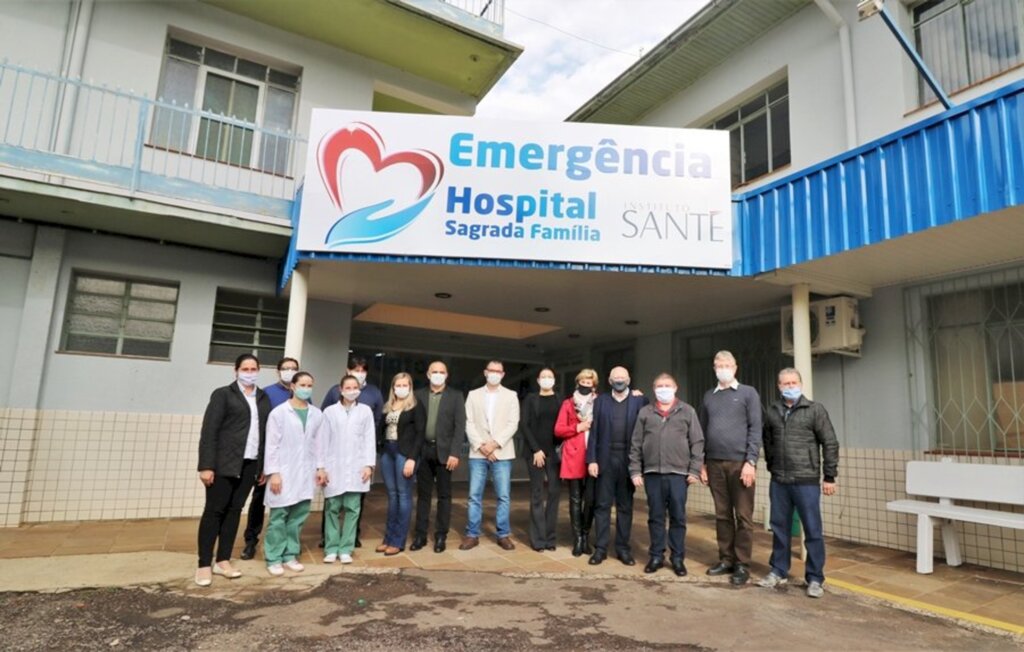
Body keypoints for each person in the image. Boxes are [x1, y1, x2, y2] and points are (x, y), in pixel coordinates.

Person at [758, 368, 840, 598]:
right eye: (785, 383)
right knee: (779, 528)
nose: (789, 386)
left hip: (806, 481)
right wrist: (772, 468)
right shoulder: (773, 411)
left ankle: (815, 578)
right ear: (779, 386)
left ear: (801, 384)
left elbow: (830, 443)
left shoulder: (815, 410)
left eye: (793, 382)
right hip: (780, 481)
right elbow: (768, 441)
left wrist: (829, 476)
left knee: (813, 530)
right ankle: (778, 570)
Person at [195, 353, 271, 587]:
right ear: (236, 370)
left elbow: (266, 434)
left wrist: (263, 466)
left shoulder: (263, 397)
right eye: (245, 368)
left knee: (235, 511)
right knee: (214, 511)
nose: (250, 372)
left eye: (253, 368)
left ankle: (223, 560)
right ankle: (204, 564)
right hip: (223, 464)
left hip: (250, 464)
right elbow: (209, 431)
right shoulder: (223, 395)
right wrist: (206, 466)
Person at [629, 373, 704, 576]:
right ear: (654, 390)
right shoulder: (645, 413)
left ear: (675, 387)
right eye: (659, 386)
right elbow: (636, 443)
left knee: (678, 517)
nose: (663, 389)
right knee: (655, 517)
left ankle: (677, 558)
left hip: (679, 475)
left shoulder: (687, 411)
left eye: (667, 385)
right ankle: (656, 556)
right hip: (653, 473)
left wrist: (695, 470)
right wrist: (635, 470)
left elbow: (697, 442)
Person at [698, 351, 762, 585]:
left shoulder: (748, 393)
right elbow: (703, 431)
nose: (723, 368)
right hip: (714, 463)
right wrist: (702, 464)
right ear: (714, 368)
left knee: (743, 516)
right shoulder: (708, 396)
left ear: (735, 367)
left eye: (727, 365)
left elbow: (756, 429)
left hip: (741, 464)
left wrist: (751, 462)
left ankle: (742, 564)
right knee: (722, 514)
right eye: (718, 365)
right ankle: (726, 559)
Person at [586, 366, 648, 566]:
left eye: (622, 377)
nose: (619, 380)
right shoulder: (601, 401)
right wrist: (592, 459)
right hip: (605, 459)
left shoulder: (640, 401)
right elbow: (594, 433)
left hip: (628, 459)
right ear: (610, 380)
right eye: (615, 377)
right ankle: (601, 549)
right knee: (602, 505)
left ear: (629, 380)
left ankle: (622, 548)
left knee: (625, 506)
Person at [320, 356, 385, 548]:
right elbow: (323, 423)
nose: (359, 372)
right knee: (332, 503)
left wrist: (369, 462)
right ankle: (328, 539)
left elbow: (378, 421)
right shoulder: (333, 395)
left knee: (355, 504)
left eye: (362, 369)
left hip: (358, 457)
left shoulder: (373, 394)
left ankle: (351, 537)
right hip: (335, 458)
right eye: (355, 369)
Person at [263, 371, 323, 576]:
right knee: (279, 516)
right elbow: (271, 445)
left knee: (298, 516)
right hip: (284, 471)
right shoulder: (279, 413)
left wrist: (321, 467)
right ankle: (273, 557)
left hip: (306, 472)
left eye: (309, 385)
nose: (306, 389)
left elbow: (319, 444)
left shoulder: (317, 414)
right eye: (302, 385)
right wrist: (274, 473)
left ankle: (290, 555)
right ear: (292, 386)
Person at [241, 357, 299, 561]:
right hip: (267, 456)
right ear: (278, 372)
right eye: (285, 369)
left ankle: (284, 544)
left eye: (293, 369)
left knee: (290, 502)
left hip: (292, 461)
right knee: (259, 498)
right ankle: (251, 540)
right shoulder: (266, 394)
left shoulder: (302, 393)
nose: (289, 371)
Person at [461, 360, 520, 551]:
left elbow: (513, 423)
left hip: (502, 452)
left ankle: (503, 534)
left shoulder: (511, 396)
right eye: (491, 370)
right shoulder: (473, 395)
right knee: (474, 495)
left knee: (503, 496)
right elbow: (468, 422)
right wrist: (481, 446)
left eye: (498, 371)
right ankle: (472, 534)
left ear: (503, 374)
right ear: (485, 372)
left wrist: (494, 445)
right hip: (478, 453)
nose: (494, 373)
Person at [411, 361, 466, 553]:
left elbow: (460, 427)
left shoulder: (456, 396)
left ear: (447, 375)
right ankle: (420, 535)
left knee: (444, 496)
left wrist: (455, 452)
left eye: (441, 372)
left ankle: (441, 535)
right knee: (423, 496)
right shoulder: (417, 395)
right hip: (423, 451)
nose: (438, 375)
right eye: (434, 371)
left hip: (445, 453)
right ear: (427, 374)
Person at [377, 372, 425, 555]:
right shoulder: (388, 405)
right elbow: (381, 428)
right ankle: (388, 538)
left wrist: (412, 458)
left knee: (403, 495)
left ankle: (398, 541)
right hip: (388, 452)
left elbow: (420, 434)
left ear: (410, 387)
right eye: (398, 385)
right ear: (393, 387)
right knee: (392, 495)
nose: (401, 388)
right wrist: (381, 448)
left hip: (405, 453)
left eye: (405, 385)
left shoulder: (415, 405)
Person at [555, 368, 599, 557]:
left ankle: (586, 535)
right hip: (573, 455)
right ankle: (578, 539)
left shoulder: (600, 402)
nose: (586, 385)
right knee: (575, 499)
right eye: (583, 382)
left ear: (594, 385)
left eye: (589, 383)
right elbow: (558, 429)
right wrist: (577, 427)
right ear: (577, 382)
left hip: (594, 457)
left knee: (590, 499)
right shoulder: (568, 403)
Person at [520, 368, 562, 552]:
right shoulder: (531, 399)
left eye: (550, 377)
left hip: (555, 453)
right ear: (538, 380)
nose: (546, 379)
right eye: (543, 377)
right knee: (537, 494)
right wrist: (536, 449)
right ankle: (538, 539)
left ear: (554, 379)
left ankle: (550, 538)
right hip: (535, 453)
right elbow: (524, 424)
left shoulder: (561, 400)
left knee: (554, 493)